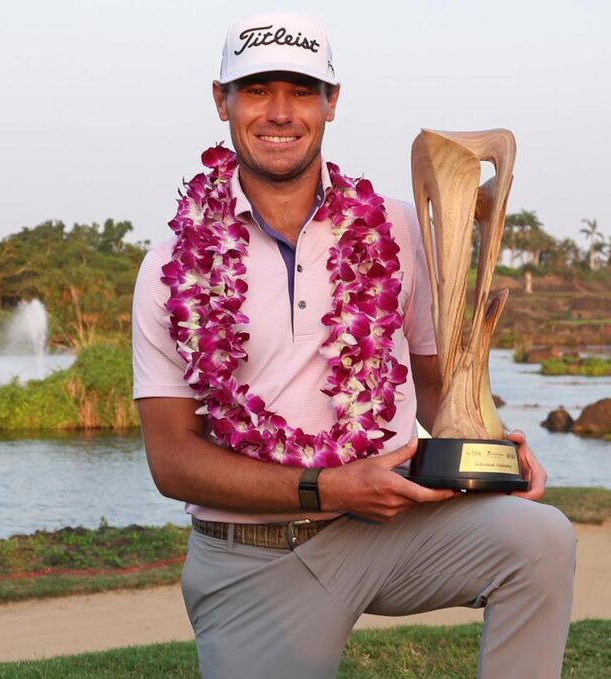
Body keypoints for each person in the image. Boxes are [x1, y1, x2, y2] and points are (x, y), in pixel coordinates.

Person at [131, 11, 575, 678]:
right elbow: (172, 462)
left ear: (332, 102)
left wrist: (493, 445)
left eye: (302, 91)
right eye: (256, 90)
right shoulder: (172, 265)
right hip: (252, 556)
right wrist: (330, 485)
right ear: (220, 99)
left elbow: (437, 380)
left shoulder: (394, 226)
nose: (280, 112)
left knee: (540, 538)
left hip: (388, 530)